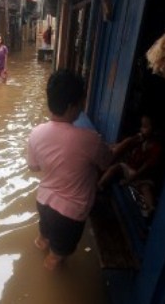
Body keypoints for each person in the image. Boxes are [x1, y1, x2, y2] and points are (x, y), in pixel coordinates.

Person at [27, 70, 130, 271]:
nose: (83, 107)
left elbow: (34, 167)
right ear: (71, 106)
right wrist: (127, 143)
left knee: (43, 238)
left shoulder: (36, 133)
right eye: (81, 102)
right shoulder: (89, 139)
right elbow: (107, 161)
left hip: (43, 202)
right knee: (57, 257)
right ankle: (49, 284)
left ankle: (37, 256)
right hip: (69, 215)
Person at [97, 115, 162, 214]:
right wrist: (135, 138)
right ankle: (99, 185)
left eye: (145, 127)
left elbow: (145, 167)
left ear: (154, 129)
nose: (142, 129)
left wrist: (129, 180)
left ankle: (151, 208)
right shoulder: (140, 140)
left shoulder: (155, 148)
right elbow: (124, 145)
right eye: (142, 126)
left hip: (141, 175)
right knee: (114, 168)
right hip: (129, 168)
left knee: (146, 188)